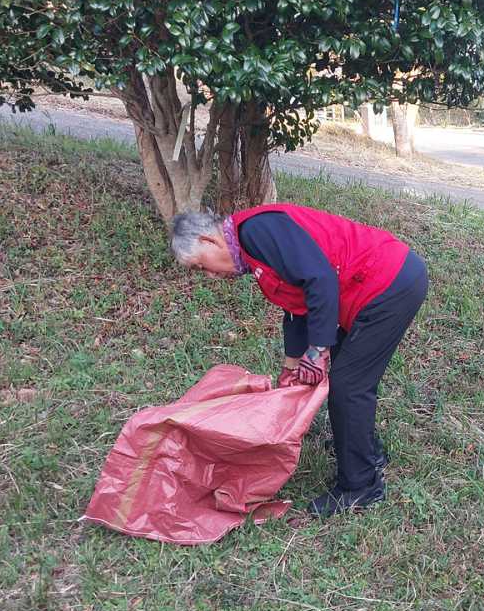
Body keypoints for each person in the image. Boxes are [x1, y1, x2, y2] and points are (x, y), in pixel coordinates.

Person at [170, 203, 428, 517]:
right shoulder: (252, 248)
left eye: (201, 266)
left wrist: (318, 350)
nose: (210, 276)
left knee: (349, 386)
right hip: (371, 285)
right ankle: (367, 454)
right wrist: (291, 365)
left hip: (388, 283)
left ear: (209, 241)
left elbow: (320, 279)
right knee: (348, 382)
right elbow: (298, 303)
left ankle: (360, 487)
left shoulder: (255, 231)